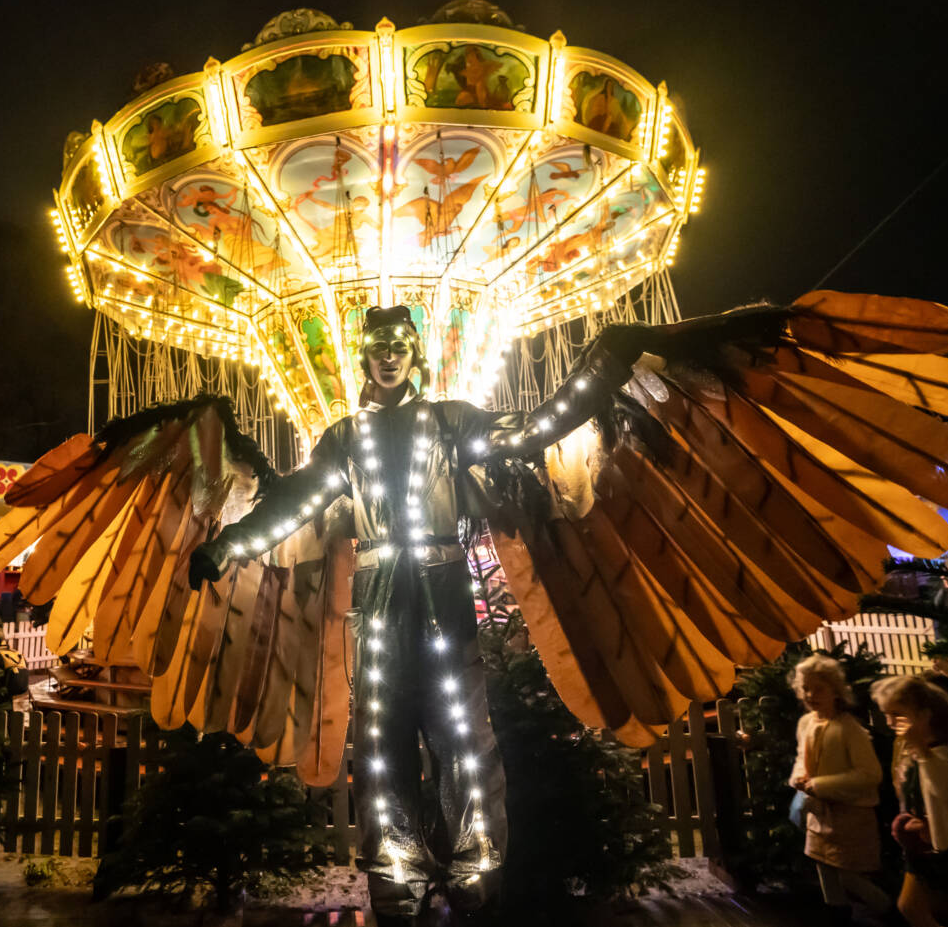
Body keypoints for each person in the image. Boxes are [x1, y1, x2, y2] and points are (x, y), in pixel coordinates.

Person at [189, 305, 649, 926]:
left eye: (399, 343)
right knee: (383, 737)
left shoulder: (449, 421)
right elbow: (296, 501)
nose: (388, 354)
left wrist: (598, 375)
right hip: (378, 596)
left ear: (414, 352)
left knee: (461, 731)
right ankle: (394, 866)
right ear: (364, 355)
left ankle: (477, 860)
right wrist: (228, 545)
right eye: (377, 344)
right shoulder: (346, 438)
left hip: (441, 589)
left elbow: (527, 431)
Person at [871, 675, 948, 927]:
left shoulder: (943, 753)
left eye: (897, 714)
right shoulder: (912, 751)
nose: (890, 722)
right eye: (887, 714)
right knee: (909, 906)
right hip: (926, 847)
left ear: (923, 715)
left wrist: (921, 749)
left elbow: (946, 791)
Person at [789, 655, 892, 924]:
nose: (811, 694)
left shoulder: (849, 729)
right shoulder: (807, 723)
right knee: (823, 865)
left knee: (848, 872)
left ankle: (892, 911)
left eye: (819, 688)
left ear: (836, 690)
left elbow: (870, 774)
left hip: (850, 812)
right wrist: (799, 778)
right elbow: (803, 758)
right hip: (819, 811)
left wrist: (821, 784)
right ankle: (836, 913)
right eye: (806, 688)